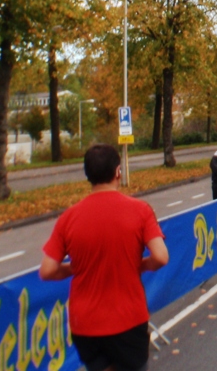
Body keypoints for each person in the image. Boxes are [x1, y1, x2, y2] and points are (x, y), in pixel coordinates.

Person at [40, 145, 169, 371]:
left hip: (86, 324)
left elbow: (47, 270)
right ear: (118, 172)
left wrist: (76, 267)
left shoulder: (68, 218)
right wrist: (140, 265)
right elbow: (160, 257)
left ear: (87, 175)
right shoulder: (140, 210)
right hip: (128, 318)